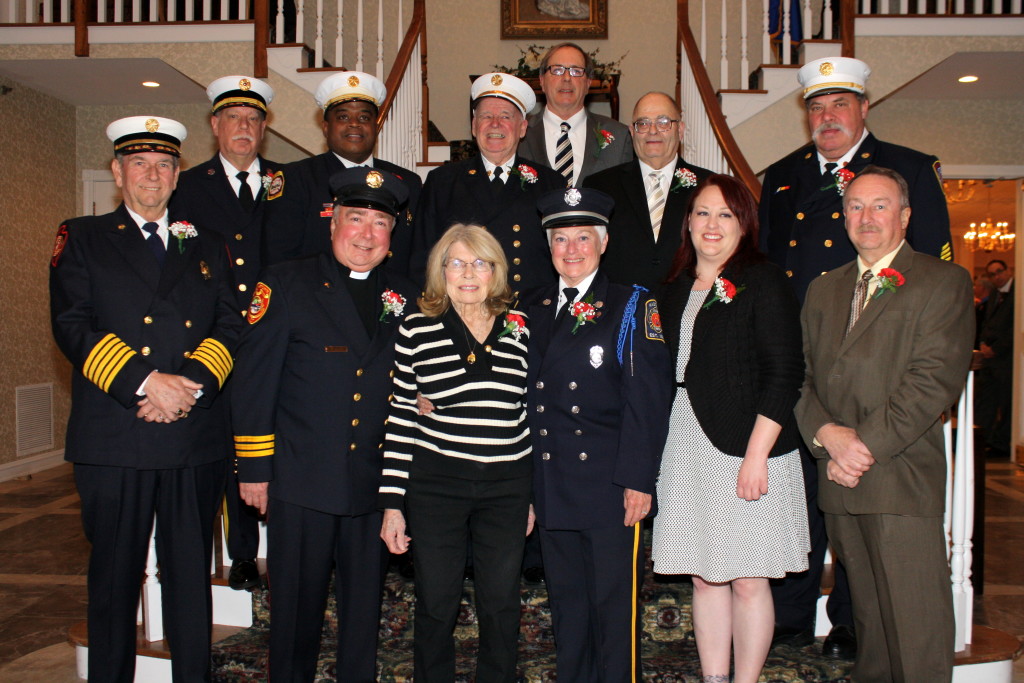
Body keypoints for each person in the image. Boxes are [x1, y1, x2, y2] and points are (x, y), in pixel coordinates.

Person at [758, 56, 953, 658]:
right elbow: (768, 267)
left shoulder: (909, 170)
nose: (827, 116)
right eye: (816, 107)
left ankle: (844, 622)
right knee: (806, 497)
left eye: (839, 105)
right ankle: (792, 611)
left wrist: (860, 439)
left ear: (864, 109)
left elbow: (934, 268)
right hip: (807, 367)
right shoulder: (784, 175)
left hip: (885, 378)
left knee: (888, 581)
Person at [50, 116, 243, 682]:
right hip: (116, 434)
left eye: (164, 164)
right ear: (116, 171)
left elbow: (231, 326)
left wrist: (186, 388)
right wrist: (147, 380)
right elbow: (72, 324)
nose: (152, 174)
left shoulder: (207, 244)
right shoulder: (82, 237)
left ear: (178, 174)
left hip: (193, 433)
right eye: (139, 163)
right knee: (114, 579)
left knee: (189, 578)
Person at [231, 167, 417, 682]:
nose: (367, 234)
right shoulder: (285, 283)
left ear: (392, 234)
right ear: (332, 220)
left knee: (364, 621)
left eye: (380, 223)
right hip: (301, 482)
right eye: (356, 218)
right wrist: (254, 467)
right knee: (294, 619)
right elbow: (254, 381)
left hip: (373, 487)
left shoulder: (404, 296)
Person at [797, 165, 974, 682]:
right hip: (840, 486)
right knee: (871, 629)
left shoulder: (943, 282)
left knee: (915, 632)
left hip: (899, 479)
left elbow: (931, 384)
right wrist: (827, 437)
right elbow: (801, 378)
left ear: (905, 215)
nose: (866, 217)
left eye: (880, 205)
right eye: (855, 205)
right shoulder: (824, 289)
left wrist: (858, 450)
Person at [653, 174, 809, 683]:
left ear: (745, 223)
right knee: (703, 576)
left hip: (747, 444)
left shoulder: (763, 280)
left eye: (726, 214)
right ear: (688, 223)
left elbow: (785, 373)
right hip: (685, 440)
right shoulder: (674, 287)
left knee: (746, 579)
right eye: (702, 213)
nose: (712, 225)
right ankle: (714, 678)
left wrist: (757, 456)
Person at [526, 187, 672, 682]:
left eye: (582, 237)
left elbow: (648, 400)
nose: (571, 249)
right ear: (548, 246)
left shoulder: (631, 304)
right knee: (567, 609)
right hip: (549, 481)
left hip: (609, 485)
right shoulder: (532, 307)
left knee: (613, 611)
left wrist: (639, 479)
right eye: (560, 238)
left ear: (604, 243)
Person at [379, 224, 533, 682]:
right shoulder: (416, 328)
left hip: (506, 486)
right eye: (457, 262)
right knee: (437, 602)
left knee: (502, 602)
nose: (469, 273)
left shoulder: (520, 328)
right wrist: (392, 503)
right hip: (436, 486)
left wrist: (532, 495)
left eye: (480, 262)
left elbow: (530, 414)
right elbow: (403, 416)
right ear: (440, 270)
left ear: (496, 271)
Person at [172, 74, 280, 591]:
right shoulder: (187, 186)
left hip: (277, 338)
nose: (244, 127)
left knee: (274, 440)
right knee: (228, 447)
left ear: (264, 128)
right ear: (215, 125)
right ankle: (240, 551)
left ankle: (280, 541)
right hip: (216, 339)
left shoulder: (289, 181)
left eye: (253, 120)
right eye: (233, 118)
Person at [410, 72, 564, 296]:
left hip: (530, 313)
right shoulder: (442, 182)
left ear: (522, 128)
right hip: (463, 311)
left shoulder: (550, 183)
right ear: (474, 126)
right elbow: (421, 260)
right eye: (485, 116)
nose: (495, 124)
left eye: (505, 116)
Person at [262, 71, 421, 274]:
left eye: (364, 117)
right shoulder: (296, 178)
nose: (354, 123)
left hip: (391, 300)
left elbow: (416, 257)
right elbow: (279, 260)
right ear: (326, 128)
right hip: (317, 300)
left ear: (376, 126)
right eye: (343, 116)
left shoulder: (407, 182)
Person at [584, 91, 713, 291]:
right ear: (632, 132)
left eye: (663, 122)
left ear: (680, 130)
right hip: (621, 313)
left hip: (690, 310)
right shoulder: (600, 186)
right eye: (642, 124)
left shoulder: (709, 186)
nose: (653, 131)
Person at [516, 42, 633, 187]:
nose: (566, 78)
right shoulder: (518, 134)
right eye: (557, 70)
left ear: (588, 83)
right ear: (542, 81)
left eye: (576, 71)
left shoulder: (619, 136)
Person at [975, 258, 1014, 456]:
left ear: (1007, 270)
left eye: (999, 271)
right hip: (989, 359)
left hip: (1006, 359)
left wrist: (996, 348)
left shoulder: (1017, 292)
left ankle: (1002, 442)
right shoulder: (995, 294)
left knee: (1006, 402)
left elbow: (1015, 327)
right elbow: (986, 323)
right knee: (986, 400)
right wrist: (982, 343)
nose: (996, 276)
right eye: (992, 274)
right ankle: (983, 440)